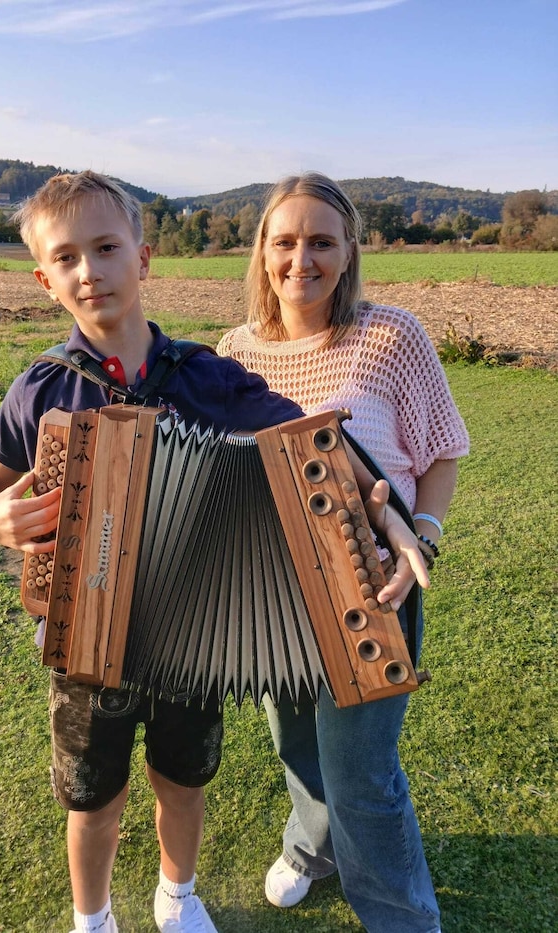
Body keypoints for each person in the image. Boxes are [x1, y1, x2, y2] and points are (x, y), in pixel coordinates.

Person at [0, 170, 425, 933]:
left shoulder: (203, 375)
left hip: (189, 636)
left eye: (107, 248)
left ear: (142, 260)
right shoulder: (40, 389)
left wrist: (397, 519)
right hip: (83, 642)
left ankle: (177, 897)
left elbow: (316, 435)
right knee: (93, 796)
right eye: (68, 258)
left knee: (183, 779)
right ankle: (94, 917)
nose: (90, 270)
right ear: (45, 279)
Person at [217, 172, 470, 933]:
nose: (303, 258)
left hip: (373, 581)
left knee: (361, 769)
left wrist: (422, 531)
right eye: (285, 240)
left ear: (349, 249)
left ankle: (402, 918)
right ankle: (313, 845)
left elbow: (443, 451)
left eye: (322, 240)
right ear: (262, 252)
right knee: (295, 742)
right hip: (271, 589)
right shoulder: (231, 354)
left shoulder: (392, 335)